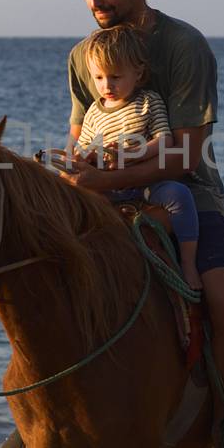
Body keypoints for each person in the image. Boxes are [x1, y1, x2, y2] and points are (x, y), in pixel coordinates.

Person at [0, 0, 224, 448]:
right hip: (104, 193)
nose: (94, 0)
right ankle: (36, 414)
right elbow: (80, 137)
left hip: (187, 195)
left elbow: (186, 153)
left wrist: (104, 181)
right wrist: (72, 178)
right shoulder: (83, 56)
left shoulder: (182, 46)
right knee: (34, 279)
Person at [72, 23, 201, 293]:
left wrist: (136, 153)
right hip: (106, 188)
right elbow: (82, 149)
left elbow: (165, 141)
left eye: (115, 77)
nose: (106, 86)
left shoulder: (148, 102)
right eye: (98, 78)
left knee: (180, 196)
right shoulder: (95, 113)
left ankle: (188, 263)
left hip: (145, 185)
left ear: (138, 73)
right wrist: (85, 157)